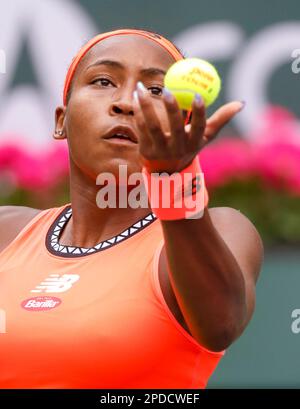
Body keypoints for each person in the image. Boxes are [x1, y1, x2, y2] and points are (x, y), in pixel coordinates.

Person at [0, 28, 263, 389]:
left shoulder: (223, 229)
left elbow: (220, 326)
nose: (126, 102)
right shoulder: (6, 230)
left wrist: (173, 179)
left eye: (155, 90)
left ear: (181, 122)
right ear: (61, 121)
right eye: (104, 81)